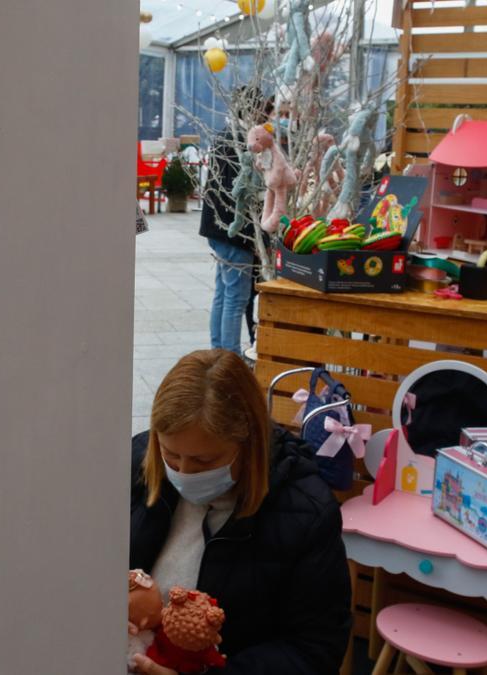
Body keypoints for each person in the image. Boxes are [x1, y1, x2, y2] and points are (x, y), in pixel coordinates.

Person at [129, 349, 352, 674]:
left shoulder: (305, 512)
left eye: (204, 461)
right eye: (171, 455)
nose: (184, 472)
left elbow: (316, 647)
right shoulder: (138, 465)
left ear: (249, 445)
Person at [199, 88, 273, 356]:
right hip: (234, 231)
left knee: (223, 292)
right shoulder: (243, 141)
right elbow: (242, 192)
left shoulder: (226, 135)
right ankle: (229, 355)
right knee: (236, 297)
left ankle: (219, 350)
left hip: (217, 228)